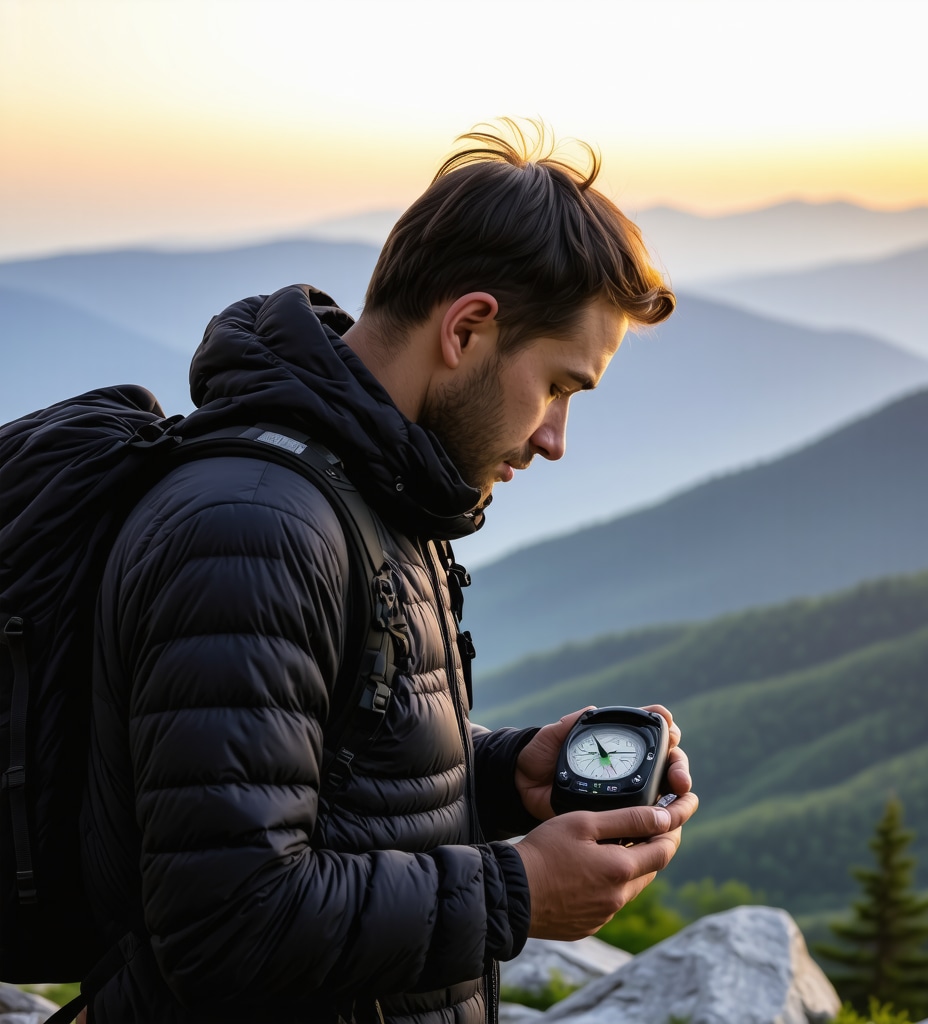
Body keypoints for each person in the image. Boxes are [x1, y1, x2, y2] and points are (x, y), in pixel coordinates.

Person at [80, 120, 699, 1024]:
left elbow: (315, 778)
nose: (556, 438)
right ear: (469, 328)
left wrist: (499, 777)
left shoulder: (372, 487)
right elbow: (225, 922)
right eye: (559, 386)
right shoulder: (253, 526)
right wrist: (517, 889)